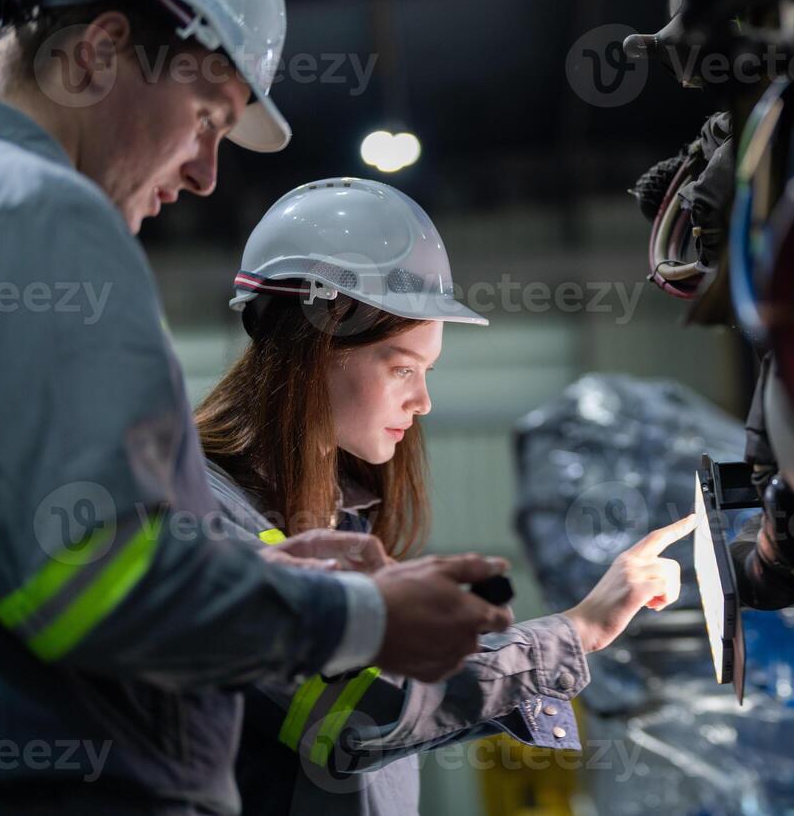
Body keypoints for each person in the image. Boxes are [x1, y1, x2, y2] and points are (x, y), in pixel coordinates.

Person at [0, 0, 510, 814]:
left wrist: (251, 574)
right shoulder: (38, 214)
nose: (207, 171)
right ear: (99, 54)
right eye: (207, 115)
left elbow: (26, 556)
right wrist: (365, 617)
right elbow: (87, 582)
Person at [192, 176, 695, 813]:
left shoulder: (340, 522)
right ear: (316, 341)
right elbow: (359, 710)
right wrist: (577, 630)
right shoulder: (206, 516)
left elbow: (404, 712)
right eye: (402, 367)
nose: (423, 401)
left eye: (425, 372)